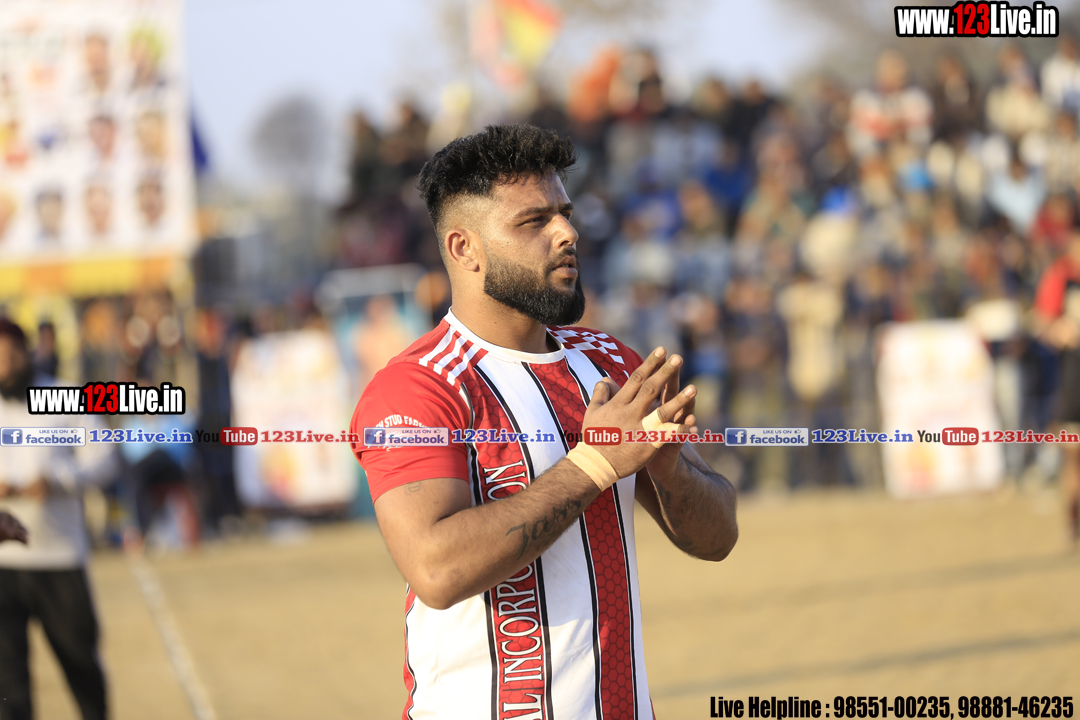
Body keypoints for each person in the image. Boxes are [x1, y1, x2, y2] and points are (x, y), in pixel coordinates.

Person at [350, 125, 738, 717]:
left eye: (565, 213)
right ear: (464, 249)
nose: (567, 233)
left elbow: (718, 539)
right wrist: (596, 463)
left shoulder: (610, 363)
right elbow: (436, 568)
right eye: (534, 221)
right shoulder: (418, 387)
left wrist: (669, 472)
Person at [0, 318, 116, 720]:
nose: (5, 366)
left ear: (28, 352)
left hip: (59, 557)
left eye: (11, 355)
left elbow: (105, 458)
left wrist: (58, 480)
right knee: (8, 684)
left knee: (81, 666)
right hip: (4, 565)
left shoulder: (64, 397)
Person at [1033, 231, 1080, 545]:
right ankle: (1072, 521)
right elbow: (1042, 322)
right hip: (1073, 381)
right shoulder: (1060, 276)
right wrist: (1057, 332)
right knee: (1073, 454)